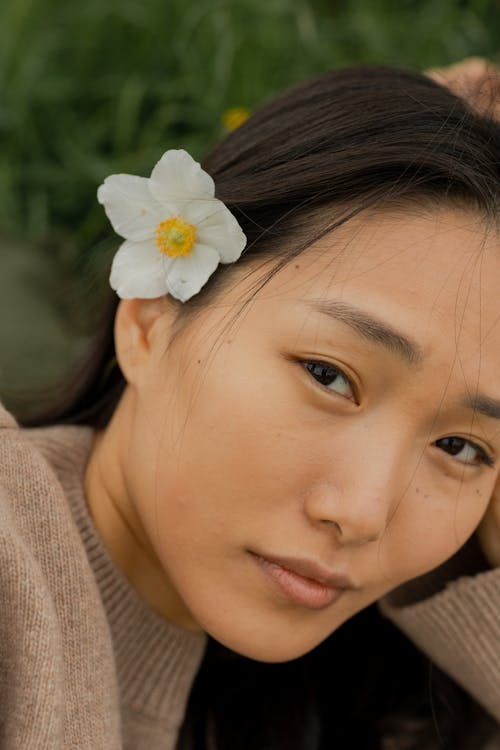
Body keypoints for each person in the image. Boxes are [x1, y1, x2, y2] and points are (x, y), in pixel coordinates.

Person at [1, 62, 499, 750]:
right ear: (150, 316)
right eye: (328, 375)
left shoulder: (366, 700)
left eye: (462, 448)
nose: (362, 514)